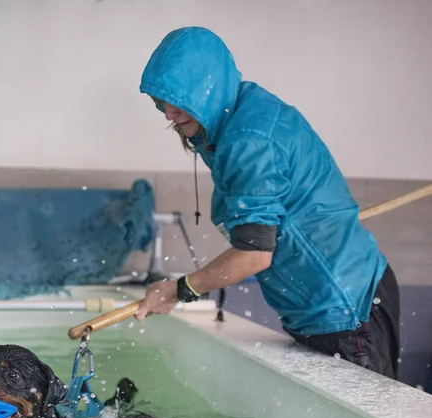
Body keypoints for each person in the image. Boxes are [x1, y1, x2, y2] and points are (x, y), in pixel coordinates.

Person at [134, 26, 400, 380]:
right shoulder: (237, 114)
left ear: (207, 90)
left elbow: (254, 254)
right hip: (330, 300)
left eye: (178, 101)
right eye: (160, 102)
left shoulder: (250, 140)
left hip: (346, 309)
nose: (168, 113)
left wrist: (178, 289)